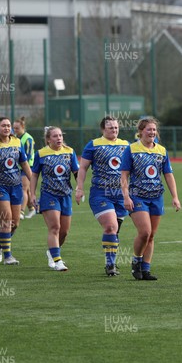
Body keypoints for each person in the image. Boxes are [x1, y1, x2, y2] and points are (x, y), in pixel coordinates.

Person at [120, 117, 181, 280]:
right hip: (137, 197)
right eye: (149, 129)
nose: (152, 132)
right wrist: (126, 197)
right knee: (145, 232)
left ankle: (145, 269)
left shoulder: (161, 150)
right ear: (141, 131)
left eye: (154, 130)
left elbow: (168, 175)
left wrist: (175, 196)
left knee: (151, 235)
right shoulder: (131, 149)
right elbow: (124, 175)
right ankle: (136, 261)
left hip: (156, 197)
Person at [76, 116, 129, 277]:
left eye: (116, 127)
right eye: (110, 128)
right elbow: (83, 167)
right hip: (101, 194)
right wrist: (79, 188)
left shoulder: (126, 145)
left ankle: (111, 260)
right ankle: (110, 265)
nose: (114, 130)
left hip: (121, 195)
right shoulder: (93, 145)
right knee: (110, 227)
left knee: (115, 231)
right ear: (102, 129)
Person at [29, 126, 79, 271]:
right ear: (48, 139)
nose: (59, 138)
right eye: (55, 136)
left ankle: (52, 252)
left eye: (60, 136)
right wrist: (32, 194)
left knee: (64, 232)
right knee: (55, 227)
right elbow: (34, 175)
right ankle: (58, 261)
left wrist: (79, 188)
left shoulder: (69, 152)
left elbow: (76, 172)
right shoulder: (41, 154)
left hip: (65, 195)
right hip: (49, 195)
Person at [0, 115, 31, 265]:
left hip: (16, 186)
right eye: (3, 126)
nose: (7, 128)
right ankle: (8, 257)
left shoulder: (17, 142)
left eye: (8, 126)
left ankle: (0, 244)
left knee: (15, 223)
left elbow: (24, 163)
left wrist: (32, 182)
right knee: (5, 221)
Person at [13, 116, 36, 219]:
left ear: (22, 127)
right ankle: (32, 208)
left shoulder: (28, 138)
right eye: (14, 128)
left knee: (24, 188)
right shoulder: (15, 138)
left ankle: (21, 212)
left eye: (17, 128)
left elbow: (29, 155)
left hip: (28, 166)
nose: (15, 130)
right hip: (17, 167)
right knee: (26, 190)